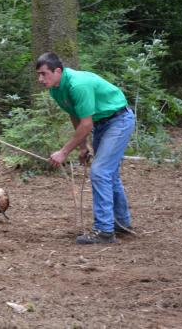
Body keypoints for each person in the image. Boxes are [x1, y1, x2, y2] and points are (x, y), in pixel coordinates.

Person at [35, 51, 136, 244]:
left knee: (100, 172)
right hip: (102, 124)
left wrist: (64, 152)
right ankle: (121, 223)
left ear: (57, 71)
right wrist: (83, 146)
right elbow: (76, 115)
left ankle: (105, 231)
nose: (40, 79)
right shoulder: (56, 89)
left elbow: (86, 124)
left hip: (118, 120)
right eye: (39, 74)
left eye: (43, 74)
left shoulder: (77, 84)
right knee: (109, 174)